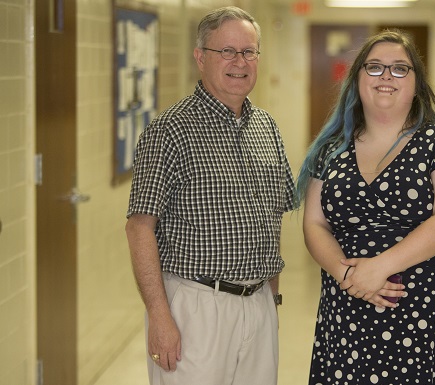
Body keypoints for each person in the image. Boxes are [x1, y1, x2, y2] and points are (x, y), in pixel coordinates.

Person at [296, 29, 435, 384]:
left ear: (417, 84)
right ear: (357, 79)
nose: (386, 76)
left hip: (430, 314)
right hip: (350, 308)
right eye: (375, 67)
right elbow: (314, 224)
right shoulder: (330, 149)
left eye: (400, 69)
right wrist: (350, 275)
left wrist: (378, 268)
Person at [125, 6, 295, 385]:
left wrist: (274, 300)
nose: (240, 62)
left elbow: (272, 221)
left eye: (249, 51)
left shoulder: (267, 127)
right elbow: (139, 229)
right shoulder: (169, 131)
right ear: (201, 58)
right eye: (227, 51)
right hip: (197, 307)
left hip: (259, 306)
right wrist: (159, 315)